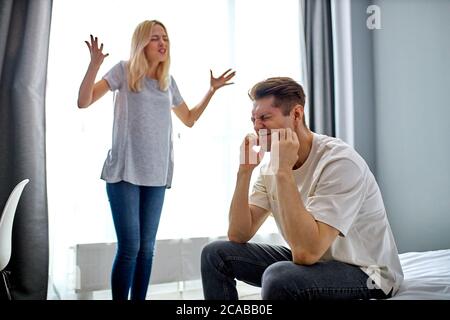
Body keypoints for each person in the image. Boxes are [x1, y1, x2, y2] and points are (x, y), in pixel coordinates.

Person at [201, 77, 403, 300]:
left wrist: (283, 171)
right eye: (254, 119)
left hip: (369, 273)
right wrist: (245, 171)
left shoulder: (339, 163)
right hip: (317, 261)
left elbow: (306, 253)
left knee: (280, 277)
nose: (257, 127)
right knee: (215, 254)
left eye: (265, 118)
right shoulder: (271, 166)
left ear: (296, 115)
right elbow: (238, 234)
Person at [77, 20, 235, 300]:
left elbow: (188, 119)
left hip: (157, 175)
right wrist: (94, 65)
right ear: (141, 44)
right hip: (124, 173)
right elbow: (84, 101)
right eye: (155, 38)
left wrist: (211, 91)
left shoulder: (167, 82)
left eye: (165, 38)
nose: (162, 43)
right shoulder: (123, 72)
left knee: (147, 250)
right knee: (129, 248)